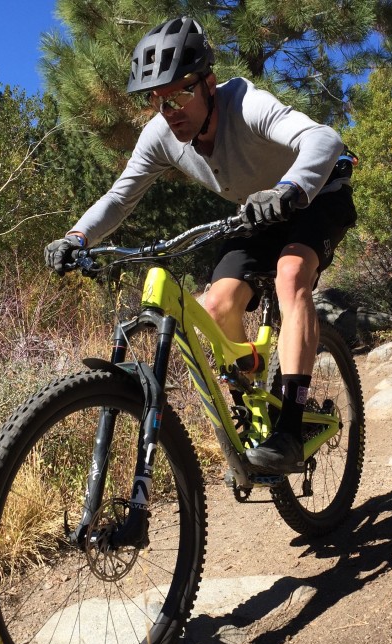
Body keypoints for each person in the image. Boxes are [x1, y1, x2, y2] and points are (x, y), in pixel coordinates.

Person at [44, 16, 356, 474]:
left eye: (182, 93)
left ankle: (290, 425)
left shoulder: (246, 103)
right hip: (257, 212)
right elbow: (120, 196)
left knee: (291, 275)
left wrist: (289, 189)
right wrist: (76, 236)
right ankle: (251, 402)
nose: (171, 109)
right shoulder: (162, 135)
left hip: (316, 192)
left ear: (209, 83)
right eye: (159, 100)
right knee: (216, 305)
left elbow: (323, 138)